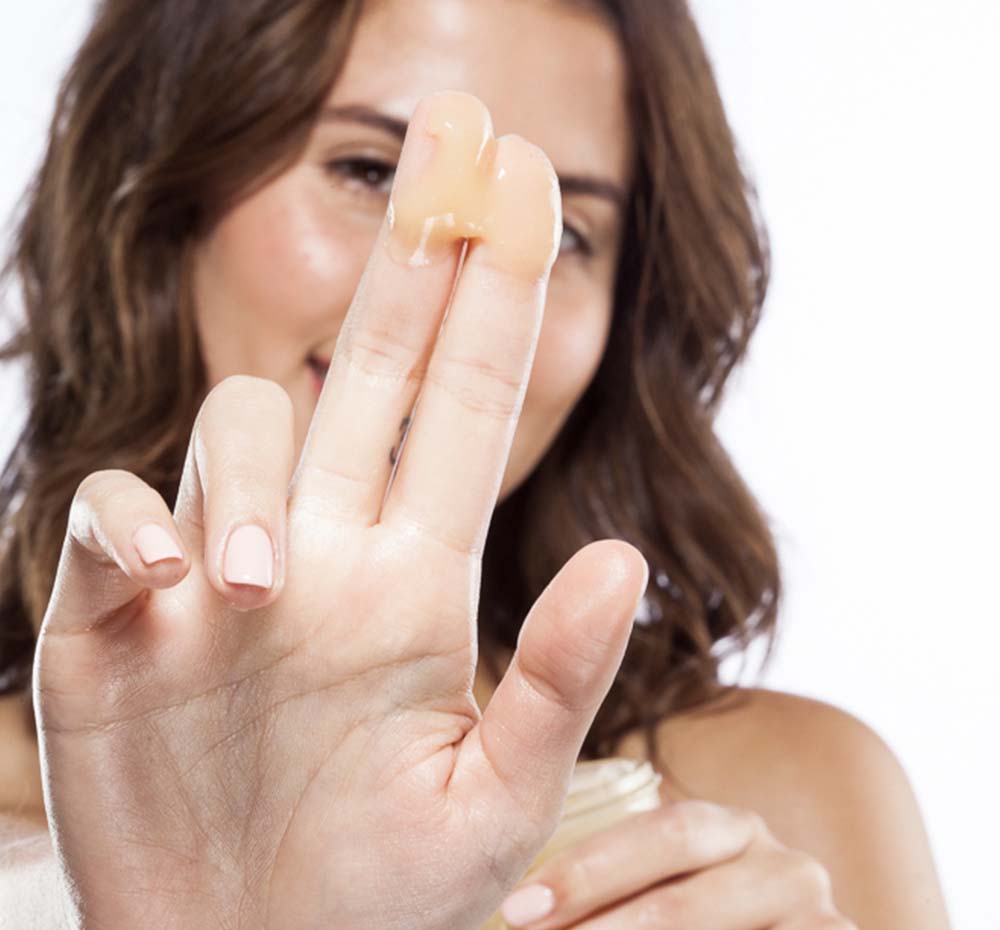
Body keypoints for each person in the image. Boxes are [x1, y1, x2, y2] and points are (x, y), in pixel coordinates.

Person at [0, 0, 951, 928]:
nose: (473, 285)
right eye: (370, 170)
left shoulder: (795, 800)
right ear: (162, 207)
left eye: (565, 230)